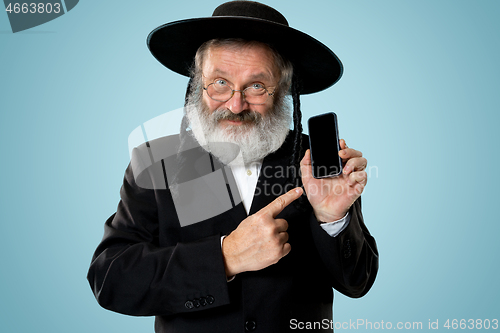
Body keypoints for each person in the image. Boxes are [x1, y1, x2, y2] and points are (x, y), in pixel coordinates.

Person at [87, 1, 378, 332]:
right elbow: (110, 278)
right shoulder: (155, 163)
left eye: (256, 85)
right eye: (220, 82)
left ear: (283, 90)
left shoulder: (319, 162)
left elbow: (359, 282)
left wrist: (333, 219)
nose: (236, 104)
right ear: (198, 84)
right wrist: (226, 257)